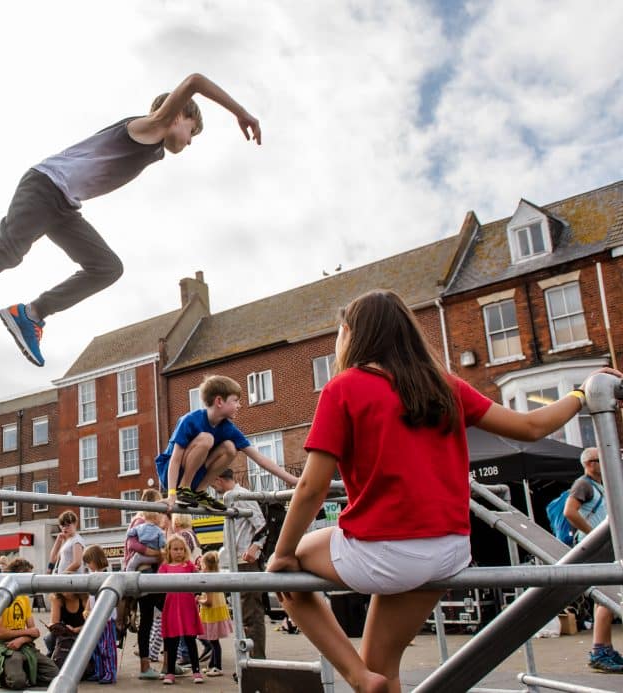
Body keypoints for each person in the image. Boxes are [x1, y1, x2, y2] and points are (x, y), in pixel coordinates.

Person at [266, 289, 623, 693]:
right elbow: (530, 428)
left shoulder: (344, 388)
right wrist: (580, 394)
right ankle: (372, 676)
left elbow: (312, 487)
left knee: (288, 571)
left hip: (384, 549)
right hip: (448, 551)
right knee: (386, 665)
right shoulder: (443, 386)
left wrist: (280, 554)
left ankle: (357, 678)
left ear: (350, 333)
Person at [0, 73, 261, 367]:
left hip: (63, 205)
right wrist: (241, 112)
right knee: (5, 253)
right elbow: (193, 80)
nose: (190, 142)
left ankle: (31, 314)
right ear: (180, 115)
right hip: (46, 186)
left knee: (107, 267)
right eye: (192, 132)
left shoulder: (156, 147)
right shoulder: (153, 125)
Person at [158, 375, 298, 511]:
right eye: (235, 400)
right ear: (219, 401)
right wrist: (171, 494)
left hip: (196, 474)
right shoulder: (190, 420)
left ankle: (199, 491)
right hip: (171, 473)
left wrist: (293, 481)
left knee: (230, 448)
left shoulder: (228, 428)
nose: (239, 405)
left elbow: (259, 458)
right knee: (206, 439)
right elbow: (175, 459)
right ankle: (184, 489)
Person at [563, 447, 623, 673]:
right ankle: (599, 650)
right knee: (610, 595)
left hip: (605, 546)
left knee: (604, 598)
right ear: (590, 463)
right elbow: (570, 511)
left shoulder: (599, 485)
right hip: (597, 547)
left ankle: (604, 648)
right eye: (601, 459)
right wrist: (592, 533)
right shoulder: (583, 484)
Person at [209, 467, 269, 659]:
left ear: (218, 479)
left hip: (246, 562)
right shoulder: (230, 497)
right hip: (237, 561)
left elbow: (262, 524)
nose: (211, 486)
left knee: (251, 614)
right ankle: (248, 660)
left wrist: (256, 546)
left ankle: (256, 661)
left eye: (211, 482)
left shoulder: (241, 495)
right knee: (244, 614)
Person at [0, 558, 59, 690]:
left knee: (55, 676)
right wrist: (26, 633)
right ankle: (10, 671)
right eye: (28, 576)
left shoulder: (24, 598)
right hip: (5, 646)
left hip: (25, 644)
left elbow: (35, 632)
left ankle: (24, 669)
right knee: (17, 682)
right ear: (19, 575)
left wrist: (22, 639)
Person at [121, 488, 166, 680]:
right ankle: (155, 664)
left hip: (144, 574)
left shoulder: (142, 520)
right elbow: (133, 546)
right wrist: (156, 553)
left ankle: (158, 663)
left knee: (152, 618)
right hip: (146, 574)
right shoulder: (143, 521)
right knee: (156, 616)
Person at [159, 536, 204, 684]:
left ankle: (196, 671)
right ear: (169, 551)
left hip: (187, 608)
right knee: (172, 641)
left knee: (190, 640)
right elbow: (157, 586)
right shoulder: (164, 568)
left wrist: (198, 594)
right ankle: (170, 672)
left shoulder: (189, 566)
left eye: (181, 549)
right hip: (171, 608)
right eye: (175, 549)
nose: (178, 552)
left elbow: (198, 582)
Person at [81, 545, 118, 684]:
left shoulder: (107, 576)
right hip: (94, 617)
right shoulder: (92, 576)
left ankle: (110, 672)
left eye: (88, 561)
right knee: (95, 647)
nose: (87, 565)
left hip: (106, 619)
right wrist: (86, 610)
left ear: (95, 560)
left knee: (106, 647)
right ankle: (99, 671)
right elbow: (90, 598)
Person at [197, 551, 231, 677]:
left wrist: (198, 600)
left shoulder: (208, 580)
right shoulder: (217, 576)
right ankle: (212, 665)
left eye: (202, 564)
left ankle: (218, 667)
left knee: (214, 642)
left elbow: (209, 601)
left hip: (212, 615)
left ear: (205, 565)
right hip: (217, 613)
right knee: (213, 641)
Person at [47, 590, 88, 674]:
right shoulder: (57, 598)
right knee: (49, 638)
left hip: (82, 631)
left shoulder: (84, 599)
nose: (65, 590)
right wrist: (60, 627)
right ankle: (53, 656)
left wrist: (77, 629)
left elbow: (91, 623)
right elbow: (54, 622)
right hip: (64, 633)